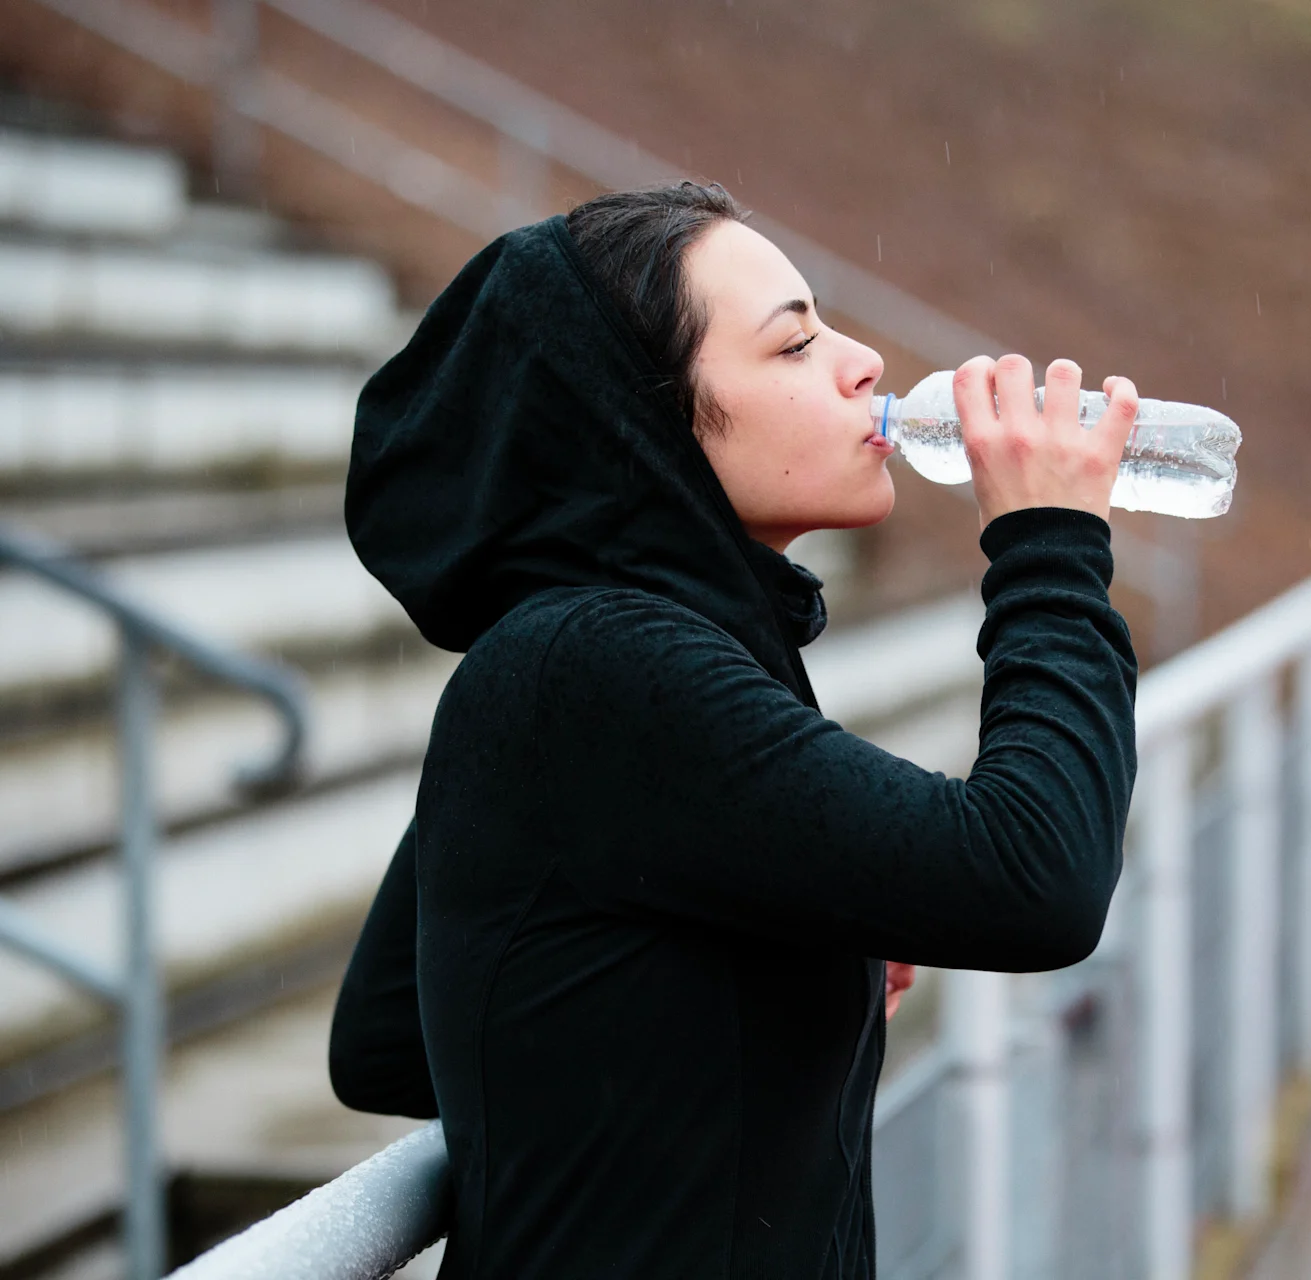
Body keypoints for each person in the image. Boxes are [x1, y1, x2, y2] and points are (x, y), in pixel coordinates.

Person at [329, 182, 1140, 1279]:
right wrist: (1050, 545)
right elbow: (1035, 872)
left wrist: (776, 951)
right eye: (796, 342)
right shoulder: (602, 664)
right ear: (642, 417)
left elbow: (393, 1031)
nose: (862, 362)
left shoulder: (576, 656)